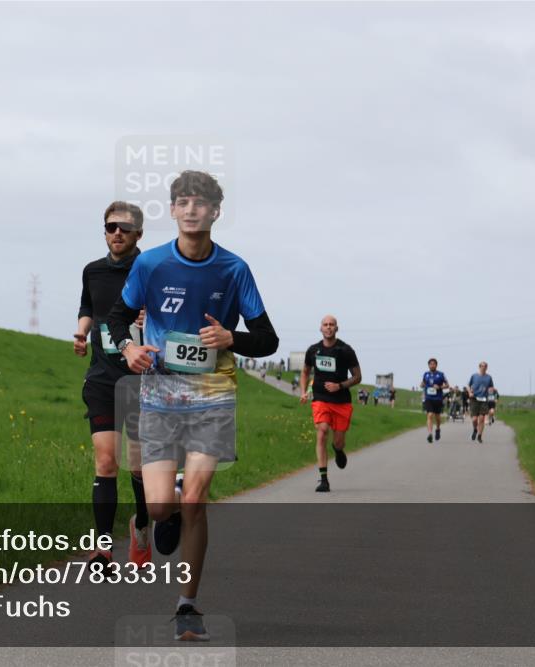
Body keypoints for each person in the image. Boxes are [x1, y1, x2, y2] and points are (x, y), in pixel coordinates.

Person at [108, 170, 278, 641]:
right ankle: (164, 514)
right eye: (181, 201)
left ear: (215, 212)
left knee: (197, 499)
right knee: (164, 507)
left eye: (200, 202)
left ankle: (187, 605)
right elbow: (118, 318)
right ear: (172, 210)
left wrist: (231, 337)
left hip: (212, 394)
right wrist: (128, 349)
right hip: (161, 395)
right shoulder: (151, 265)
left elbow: (267, 339)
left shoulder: (234, 269)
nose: (190, 209)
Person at [74, 201, 151, 572]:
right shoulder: (92, 271)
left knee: (137, 468)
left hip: (141, 381)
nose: (116, 232)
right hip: (102, 377)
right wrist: (81, 331)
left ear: (138, 233)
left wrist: (149, 316)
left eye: (124, 227)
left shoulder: (152, 269)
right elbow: (88, 307)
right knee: (106, 462)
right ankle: (102, 549)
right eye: (110, 227)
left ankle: (142, 523)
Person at [299, 315, 362, 492]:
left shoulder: (345, 350)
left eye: (331, 325)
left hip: (341, 401)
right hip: (320, 398)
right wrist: (304, 392)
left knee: (338, 441)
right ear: (320, 328)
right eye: (325, 325)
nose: (328, 327)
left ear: (336, 328)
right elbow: (305, 372)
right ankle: (323, 479)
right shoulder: (313, 350)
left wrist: (339, 385)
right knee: (322, 430)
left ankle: (338, 450)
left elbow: (358, 377)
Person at [420, 358, 448, 443]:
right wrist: (422, 385)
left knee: (437, 417)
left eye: (433, 364)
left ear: (436, 365)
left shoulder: (441, 374)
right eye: (430, 364)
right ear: (428, 365)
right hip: (428, 398)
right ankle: (429, 434)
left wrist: (439, 387)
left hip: (438, 398)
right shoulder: (426, 374)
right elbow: (422, 383)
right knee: (430, 415)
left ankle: (438, 429)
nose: (432, 365)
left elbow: (447, 385)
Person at [468, 362, 495, 442]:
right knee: (474, 419)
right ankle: (475, 429)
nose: (483, 368)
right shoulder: (474, 376)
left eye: (485, 366)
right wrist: (470, 392)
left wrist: (491, 393)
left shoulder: (489, 377)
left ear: (487, 368)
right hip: (475, 399)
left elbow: (491, 388)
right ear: (479, 367)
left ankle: (479, 435)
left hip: (484, 399)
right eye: (482, 366)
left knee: (482, 418)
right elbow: (468, 386)